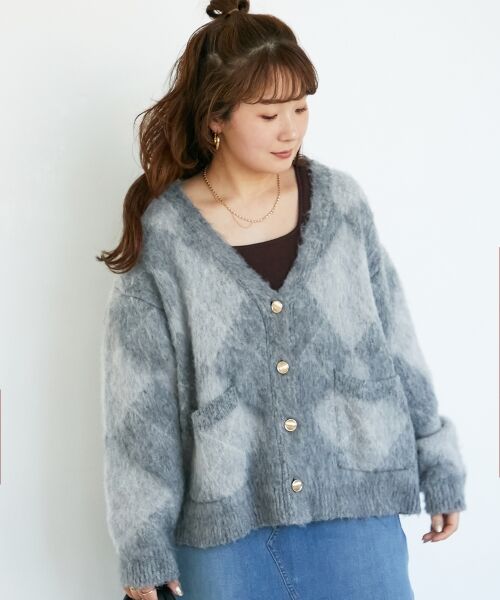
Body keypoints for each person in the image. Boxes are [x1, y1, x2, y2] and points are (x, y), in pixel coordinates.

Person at [97, 1, 467, 599]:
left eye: (300, 108)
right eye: (269, 113)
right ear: (215, 119)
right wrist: (143, 544)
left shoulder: (341, 204)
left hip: (356, 516)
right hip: (227, 535)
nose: (290, 129)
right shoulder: (166, 237)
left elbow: (394, 340)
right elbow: (140, 408)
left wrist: (438, 461)